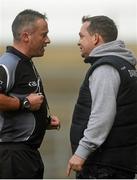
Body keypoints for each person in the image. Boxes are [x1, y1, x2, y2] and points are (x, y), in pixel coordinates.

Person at [67, 15, 137, 179]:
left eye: (82, 36)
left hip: (103, 166)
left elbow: (102, 115)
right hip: (118, 163)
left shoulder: (105, 68)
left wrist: (81, 152)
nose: (78, 42)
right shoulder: (124, 64)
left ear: (96, 38)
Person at [0, 9, 60, 179]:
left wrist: (44, 121)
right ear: (26, 36)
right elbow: (25, 102)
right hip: (12, 155)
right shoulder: (8, 64)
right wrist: (24, 103)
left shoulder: (25, 62)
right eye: (44, 35)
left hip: (26, 155)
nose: (48, 40)